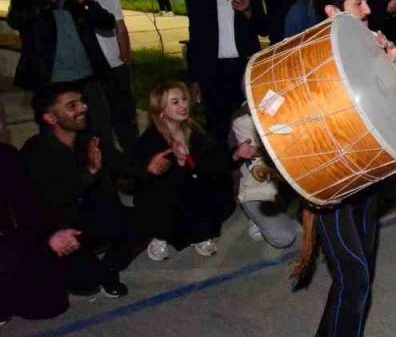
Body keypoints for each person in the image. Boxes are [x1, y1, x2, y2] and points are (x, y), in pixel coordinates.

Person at [289, 0, 396, 337]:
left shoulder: (368, 41)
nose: (368, 10)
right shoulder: (306, 55)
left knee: (360, 273)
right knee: (355, 278)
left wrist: (393, 62)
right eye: (359, 2)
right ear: (334, 12)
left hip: (367, 174)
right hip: (331, 183)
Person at [22, 82, 139, 299]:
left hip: (96, 218)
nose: (83, 107)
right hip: (62, 228)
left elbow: (128, 165)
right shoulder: (35, 152)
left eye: (82, 102)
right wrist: (91, 171)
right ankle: (95, 270)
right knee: (85, 285)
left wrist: (159, 155)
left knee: (148, 218)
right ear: (50, 118)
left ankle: (108, 268)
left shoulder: (90, 140)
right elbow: (52, 199)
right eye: (72, 105)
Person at [8, 0, 119, 160]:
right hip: (51, 83)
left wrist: (84, 1)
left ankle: (106, 179)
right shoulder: (26, 0)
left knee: (101, 132)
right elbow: (17, 19)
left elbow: (107, 22)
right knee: (57, 140)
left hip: (87, 79)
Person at [130, 81, 236, 262]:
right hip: (163, 196)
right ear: (160, 109)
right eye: (175, 102)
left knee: (213, 189)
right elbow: (141, 180)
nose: (183, 105)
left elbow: (215, 162)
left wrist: (236, 155)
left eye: (184, 99)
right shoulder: (150, 139)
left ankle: (200, 234)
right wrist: (177, 163)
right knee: (164, 198)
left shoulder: (195, 131)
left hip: (191, 190)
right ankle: (160, 235)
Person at [185, 0, 266, 145]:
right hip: (213, 71)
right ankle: (222, 169)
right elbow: (196, 40)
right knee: (217, 127)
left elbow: (264, 30)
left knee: (245, 124)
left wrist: (248, 12)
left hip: (242, 69)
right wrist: (195, 79)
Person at [0, 141, 78, 322]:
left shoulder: (5, 155)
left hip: (5, 236)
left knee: (48, 305)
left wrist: (50, 237)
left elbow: (28, 205)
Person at [75, 0, 138, 157]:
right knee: (99, 123)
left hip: (116, 66)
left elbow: (120, 26)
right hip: (90, 71)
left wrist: (125, 56)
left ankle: (133, 162)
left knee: (126, 118)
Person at [230, 107, 300, 248]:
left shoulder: (291, 104)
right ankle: (255, 217)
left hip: (289, 181)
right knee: (283, 237)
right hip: (261, 185)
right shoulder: (243, 119)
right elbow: (257, 169)